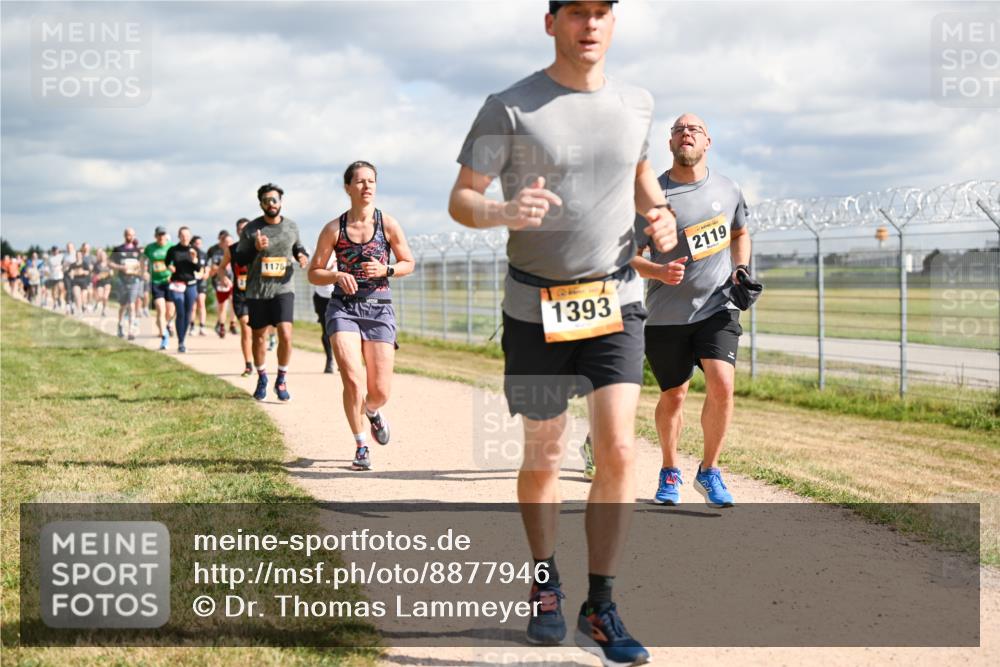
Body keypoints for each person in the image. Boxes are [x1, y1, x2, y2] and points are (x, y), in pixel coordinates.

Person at [447, 2, 676, 663]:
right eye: (576, 12)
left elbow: (637, 178)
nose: (591, 24)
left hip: (615, 297)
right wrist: (502, 209)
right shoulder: (509, 107)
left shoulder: (637, 103)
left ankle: (600, 604)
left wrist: (657, 216)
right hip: (535, 307)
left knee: (619, 450)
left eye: (602, 12)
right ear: (551, 23)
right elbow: (463, 197)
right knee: (545, 454)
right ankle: (544, 578)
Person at [629, 113, 750, 508]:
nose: (686, 134)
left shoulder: (729, 190)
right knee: (674, 396)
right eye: (679, 129)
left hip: (717, 306)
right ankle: (669, 469)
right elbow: (628, 255)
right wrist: (658, 271)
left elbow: (739, 231)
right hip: (666, 316)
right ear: (670, 144)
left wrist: (741, 269)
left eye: (694, 129)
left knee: (722, 384)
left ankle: (710, 470)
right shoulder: (650, 195)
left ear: (707, 142)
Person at [309, 161, 415, 471]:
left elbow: (408, 262)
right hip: (343, 308)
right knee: (353, 379)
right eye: (360, 181)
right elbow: (314, 273)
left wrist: (388, 269)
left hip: (379, 308)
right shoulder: (334, 229)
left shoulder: (388, 225)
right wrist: (336, 276)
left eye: (371, 181)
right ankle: (360, 445)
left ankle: (372, 412)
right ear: (347, 188)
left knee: (380, 391)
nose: (367, 186)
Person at [233, 184, 309, 401]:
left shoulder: (291, 226)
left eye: (274, 200)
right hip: (257, 290)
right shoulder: (251, 229)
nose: (271, 204)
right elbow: (240, 259)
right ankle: (263, 376)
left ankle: (282, 378)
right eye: (266, 200)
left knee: (285, 333)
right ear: (261, 204)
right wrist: (255, 247)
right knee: (258, 337)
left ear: (281, 202)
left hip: (284, 287)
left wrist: (302, 256)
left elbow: (298, 247)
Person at [217, 218, 254, 376]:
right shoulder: (231, 249)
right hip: (241, 295)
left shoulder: (258, 247)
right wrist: (223, 276)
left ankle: (259, 361)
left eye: (246, 228)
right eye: (240, 229)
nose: (243, 231)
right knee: (246, 328)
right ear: (237, 232)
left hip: (258, 294)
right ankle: (248, 364)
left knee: (259, 332)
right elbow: (221, 268)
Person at [164, 226, 203, 353]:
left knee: (188, 313)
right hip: (177, 283)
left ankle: (182, 339)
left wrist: (194, 259)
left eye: (187, 235)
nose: (185, 237)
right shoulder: (173, 250)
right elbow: (167, 262)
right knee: (180, 309)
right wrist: (170, 267)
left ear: (190, 237)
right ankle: (180, 341)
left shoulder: (194, 250)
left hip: (191, 284)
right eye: (182, 235)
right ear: (179, 236)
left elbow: (198, 268)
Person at [144, 226, 177, 350]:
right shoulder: (150, 248)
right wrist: (144, 271)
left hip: (169, 281)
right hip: (156, 281)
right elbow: (143, 260)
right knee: (160, 308)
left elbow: (177, 261)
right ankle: (164, 337)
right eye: (159, 234)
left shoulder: (171, 247)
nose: (161, 237)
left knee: (170, 311)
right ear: (155, 236)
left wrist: (174, 271)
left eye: (163, 234)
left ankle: (167, 324)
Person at [110, 228, 144, 340]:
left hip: (134, 279)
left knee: (132, 304)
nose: (130, 237)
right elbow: (110, 263)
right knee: (123, 305)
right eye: (128, 235)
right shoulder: (118, 249)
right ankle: (120, 325)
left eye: (132, 235)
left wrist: (139, 270)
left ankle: (131, 330)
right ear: (125, 235)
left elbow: (141, 265)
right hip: (121, 280)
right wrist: (121, 267)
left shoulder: (137, 251)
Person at [207, 229, 236, 337]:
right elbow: (213, 268)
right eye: (227, 242)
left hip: (234, 282)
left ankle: (232, 324)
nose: (229, 244)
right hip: (220, 283)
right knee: (223, 306)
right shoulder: (217, 254)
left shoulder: (237, 253)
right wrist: (221, 270)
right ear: (222, 243)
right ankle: (222, 325)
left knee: (234, 302)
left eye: (231, 242)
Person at [191, 235, 209, 336]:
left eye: (199, 243)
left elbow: (206, 267)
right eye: (196, 243)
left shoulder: (203, 254)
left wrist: (206, 273)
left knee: (201, 303)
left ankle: (202, 326)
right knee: (193, 306)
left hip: (201, 281)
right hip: (192, 281)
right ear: (192, 244)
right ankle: (192, 326)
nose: (198, 245)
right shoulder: (189, 254)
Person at [67, 250, 91, 316]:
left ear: (81, 256)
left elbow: (88, 272)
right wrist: (72, 273)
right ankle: (79, 311)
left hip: (84, 282)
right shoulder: (72, 265)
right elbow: (69, 273)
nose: (78, 256)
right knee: (77, 296)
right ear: (75, 256)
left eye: (79, 255)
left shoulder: (84, 264)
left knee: (83, 297)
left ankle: (84, 306)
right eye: (77, 255)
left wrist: (82, 272)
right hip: (75, 282)